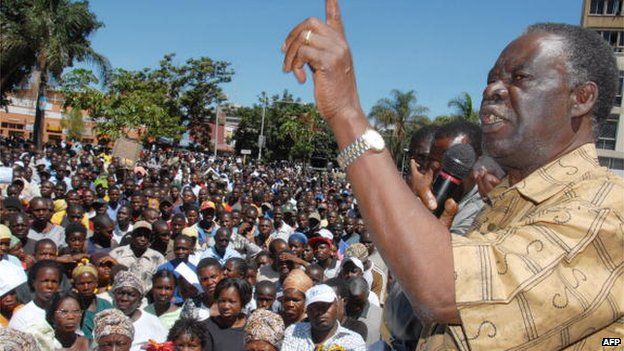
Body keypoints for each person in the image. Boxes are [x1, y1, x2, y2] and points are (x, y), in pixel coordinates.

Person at [282, 4, 622, 348]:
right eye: (492, 79)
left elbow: (442, 291)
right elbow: (411, 324)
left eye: (520, 78)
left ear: (581, 98)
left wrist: (346, 113)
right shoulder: (503, 202)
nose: (493, 90)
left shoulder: (606, 211)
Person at [281, 284, 366, 351]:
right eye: (314, 307)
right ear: (307, 311)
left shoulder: (354, 341)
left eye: (325, 306)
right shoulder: (293, 332)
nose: (320, 312)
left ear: (336, 306)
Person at [112, 271, 167, 350]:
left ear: (140, 301)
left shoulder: (152, 322)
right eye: (120, 293)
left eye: (131, 295)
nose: (124, 298)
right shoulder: (105, 320)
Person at [109, 220, 166, 291]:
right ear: (132, 235)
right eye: (139, 235)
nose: (142, 239)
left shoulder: (157, 258)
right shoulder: (117, 254)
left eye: (146, 236)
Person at [9, 260, 62, 332]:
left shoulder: (66, 312)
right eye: (45, 281)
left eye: (54, 281)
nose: (50, 286)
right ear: (33, 283)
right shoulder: (22, 317)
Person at [202, 277, 252, 351]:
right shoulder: (206, 328)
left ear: (243, 302)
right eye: (222, 301)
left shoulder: (253, 326)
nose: (226, 306)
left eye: (232, 302)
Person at [72, 261, 113, 339]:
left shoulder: (105, 305)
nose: (86, 287)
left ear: (96, 283)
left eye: (90, 283)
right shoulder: (71, 306)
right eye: (81, 283)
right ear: (75, 285)